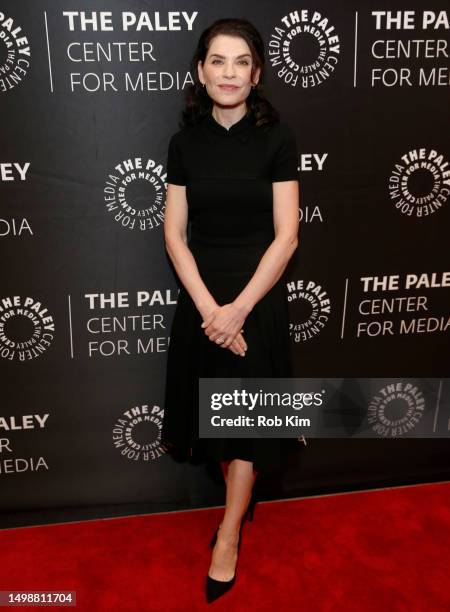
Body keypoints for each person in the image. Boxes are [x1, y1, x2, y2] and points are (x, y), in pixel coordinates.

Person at [161, 18, 300, 603]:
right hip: (202, 299)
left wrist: (238, 310)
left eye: (241, 62)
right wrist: (209, 311)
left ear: (257, 74)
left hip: (256, 299)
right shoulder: (183, 143)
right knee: (217, 422)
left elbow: (288, 234)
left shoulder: (276, 138)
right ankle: (237, 508)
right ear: (200, 71)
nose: (229, 73)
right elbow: (174, 234)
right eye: (218, 61)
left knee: (243, 424)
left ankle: (228, 534)